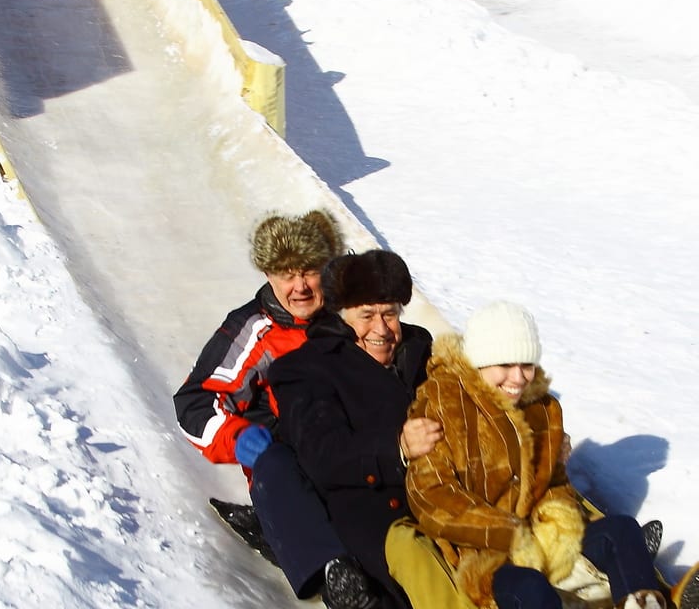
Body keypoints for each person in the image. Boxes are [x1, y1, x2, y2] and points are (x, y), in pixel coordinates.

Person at [173, 210, 382, 608]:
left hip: (354, 454)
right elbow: (196, 402)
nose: (299, 286)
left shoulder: (350, 317)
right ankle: (335, 573)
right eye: (287, 274)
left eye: (309, 271)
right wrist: (238, 438)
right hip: (290, 463)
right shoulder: (255, 330)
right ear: (268, 274)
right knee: (277, 462)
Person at [404, 301, 667, 609]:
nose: (518, 378)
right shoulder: (443, 403)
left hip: (543, 540)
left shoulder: (543, 408)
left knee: (622, 530)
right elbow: (432, 497)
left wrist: (558, 519)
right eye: (505, 364)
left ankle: (644, 601)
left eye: (526, 365)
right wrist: (510, 534)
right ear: (480, 362)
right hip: (486, 555)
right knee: (530, 587)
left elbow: (554, 480)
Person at [268, 249, 446, 609]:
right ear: (340, 317)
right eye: (366, 315)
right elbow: (323, 454)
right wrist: (396, 448)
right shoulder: (306, 369)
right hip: (374, 516)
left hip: (446, 499)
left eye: (389, 314)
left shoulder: (420, 349)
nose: (381, 329)